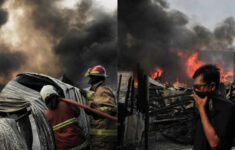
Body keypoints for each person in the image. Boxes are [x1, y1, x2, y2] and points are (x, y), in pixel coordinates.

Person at [192, 64, 235, 150]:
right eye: (194, 87)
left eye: (198, 87)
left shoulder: (227, 108)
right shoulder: (203, 103)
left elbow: (214, 144)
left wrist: (202, 111)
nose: (195, 91)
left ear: (212, 86)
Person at [40, 85, 90, 150]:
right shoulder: (66, 103)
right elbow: (77, 112)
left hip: (63, 146)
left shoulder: (47, 114)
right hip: (78, 142)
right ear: (54, 92)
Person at [82, 65, 117, 150]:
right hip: (100, 136)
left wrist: (93, 111)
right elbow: (97, 98)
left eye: (91, 77)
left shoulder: (103, 90)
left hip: (103, 138)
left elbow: (111, 110)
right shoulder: (99, 90)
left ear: (95, 78)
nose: (90, 81)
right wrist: (86, 94)